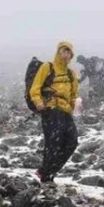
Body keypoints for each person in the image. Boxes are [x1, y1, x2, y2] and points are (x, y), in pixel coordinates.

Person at [28, 41, 79, 184]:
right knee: (53, 143)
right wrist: (38, 102)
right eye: (64, 51)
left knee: (72, 142)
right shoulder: (47, 67)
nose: (66, 54)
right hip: (51, 109)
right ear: (58, 52)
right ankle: (47, 177)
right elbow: (35, 87)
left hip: (66, 111)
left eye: (69, 52)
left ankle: (46, 170)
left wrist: (76, 104)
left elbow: (74, 94)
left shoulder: (71, 73)